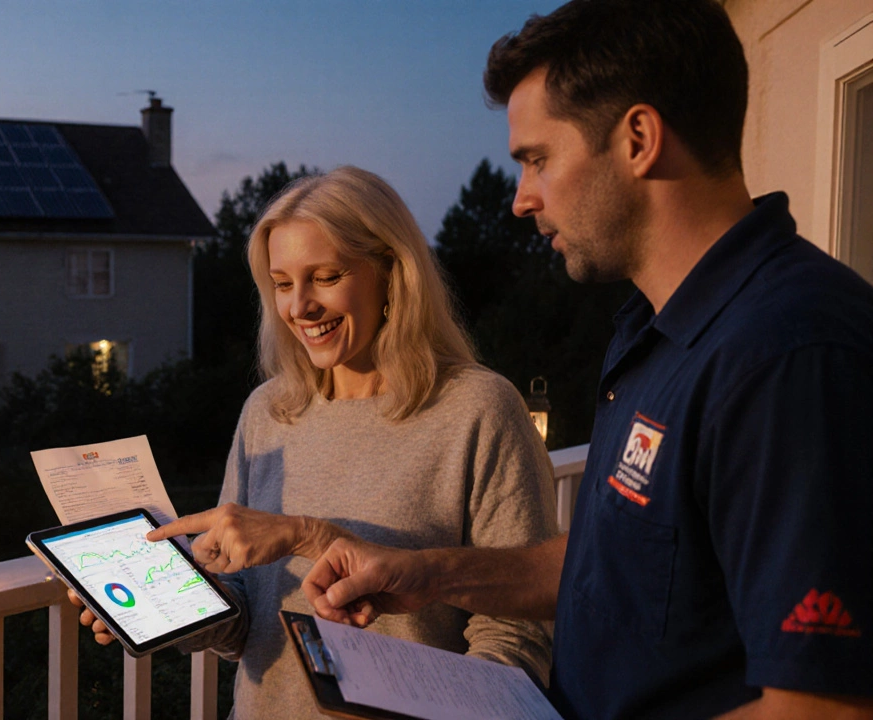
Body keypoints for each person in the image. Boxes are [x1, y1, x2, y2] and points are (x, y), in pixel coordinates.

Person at [303, 1, 873, 719]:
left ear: (638, 139)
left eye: (538, 159)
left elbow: (824, 708)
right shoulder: (657, 328)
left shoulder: (790, 355)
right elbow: (617, 558)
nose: (520, 199)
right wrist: (429, 573)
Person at [68, 166, 558, 718]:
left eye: (324, 277)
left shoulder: (479, 409)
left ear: (391, 274)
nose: (299, 307)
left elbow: (519, 634)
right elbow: (247, 624)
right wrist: (168, 608)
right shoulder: (268, 412)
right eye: (282, 284)